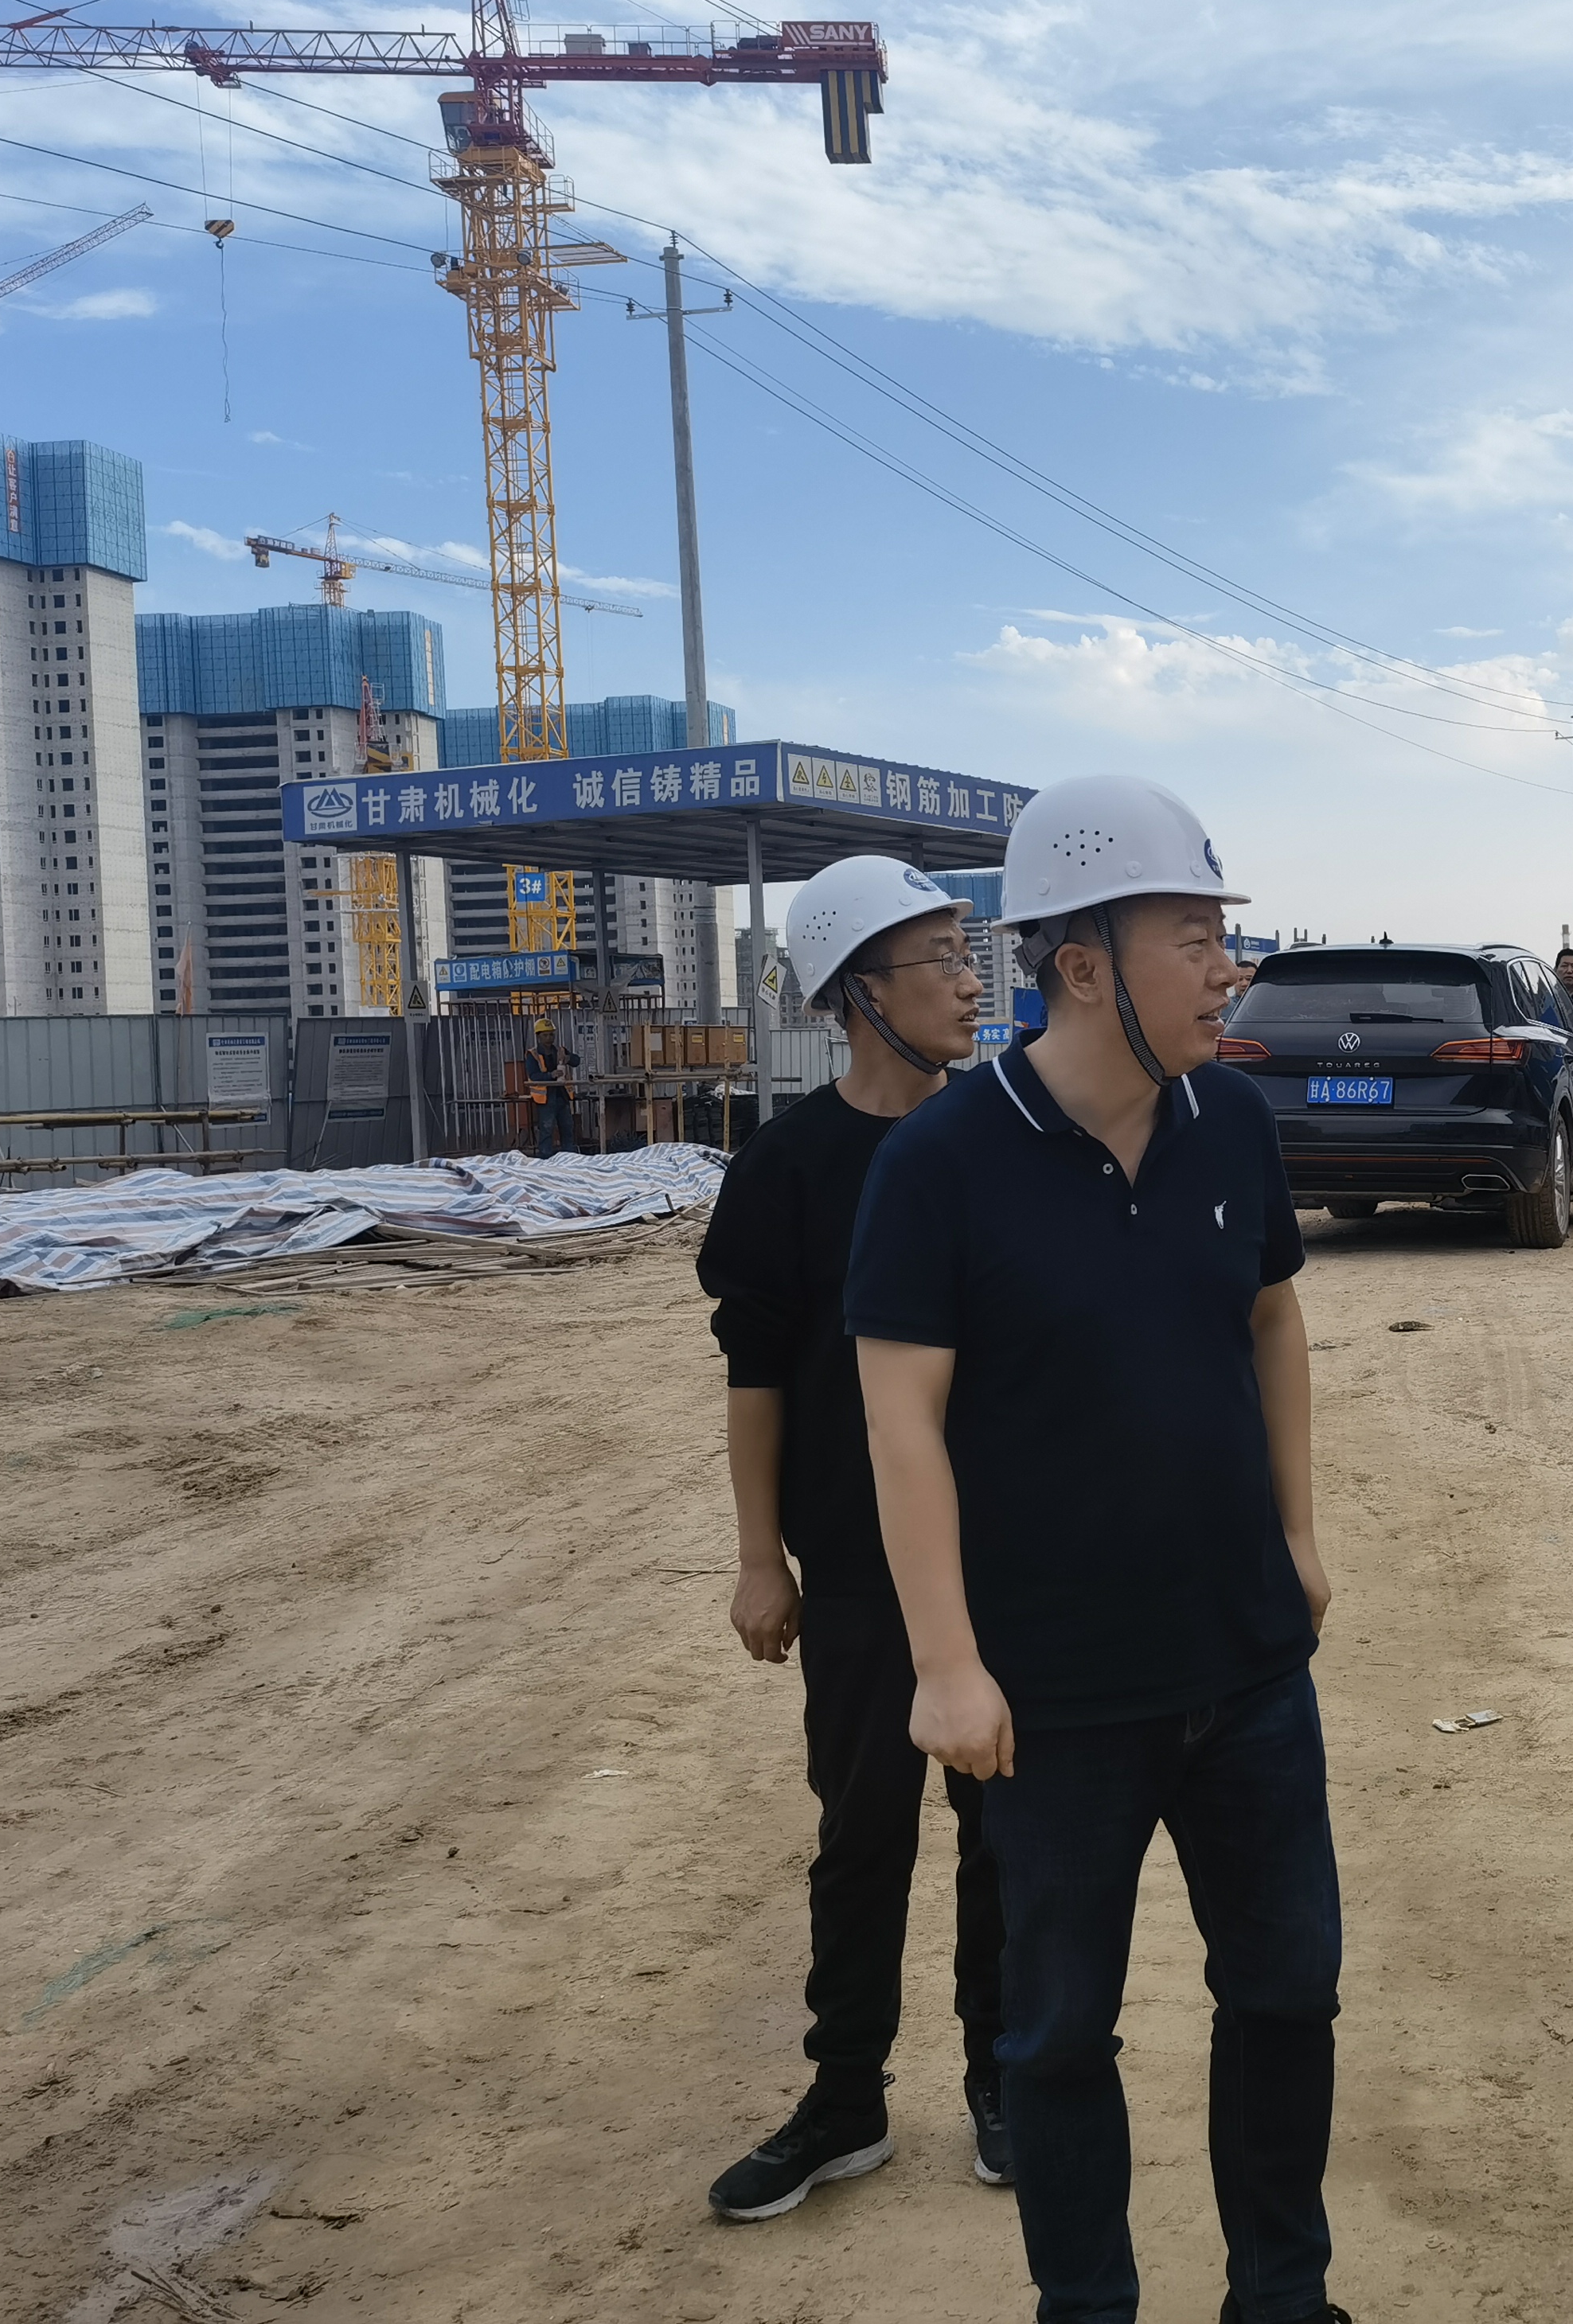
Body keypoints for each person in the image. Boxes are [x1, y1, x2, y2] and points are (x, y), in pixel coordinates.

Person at [847, 776, 1350, 2324]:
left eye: (1222, 936)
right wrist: (945, 1663)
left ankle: (1280, 2295)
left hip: (1247, 1673)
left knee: (1286, 1993)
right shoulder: (941, 1165)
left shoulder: (1231, 1124)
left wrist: (1296, 1532)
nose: (1224, 968)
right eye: (1191, 938)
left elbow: (1272, 1322)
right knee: (1058, 2034)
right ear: (1080, 964)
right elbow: (901, 1420)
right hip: (1053, 1702)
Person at [692, 854, 1009, 2221]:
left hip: (1006, 1556)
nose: (969, 982)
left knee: (1008, 1833)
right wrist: (760, 1556)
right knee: (862, 1832)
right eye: (941, 959)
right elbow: (755, 1373)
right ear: (859, 994)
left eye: (967, 953)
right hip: (862, 1565)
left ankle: (1005, 2081)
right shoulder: (789, 1167)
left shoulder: (1009, 1138)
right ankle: (845, 2100)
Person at [523, 1017, 576, 1156]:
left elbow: (576, 1061)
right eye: (545, 1035)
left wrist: (569, 1058)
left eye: (551, 1034)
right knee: (546, 1130)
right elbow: (534, 1075)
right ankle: (545, 1158)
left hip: (562, 1096)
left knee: (567, 1128)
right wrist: (550, 1075)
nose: (549, 1038)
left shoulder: (560, 1051)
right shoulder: (533, 1054)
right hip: (546, 1100)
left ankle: (569, 1157)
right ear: (538, 1036)